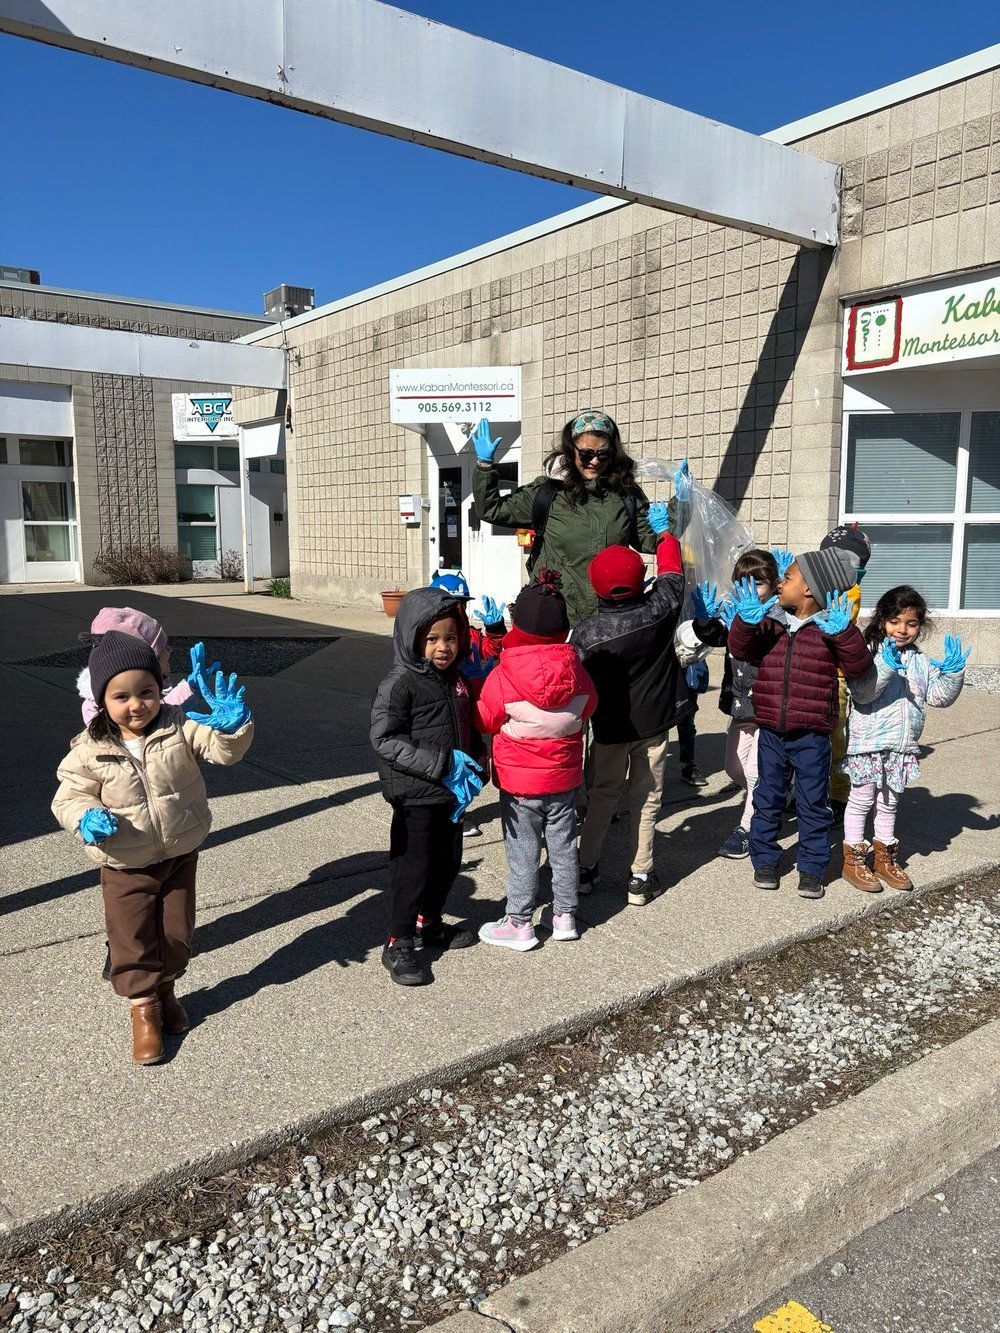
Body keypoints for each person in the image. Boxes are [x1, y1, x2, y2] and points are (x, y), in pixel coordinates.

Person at [51, 631, 254, 1065]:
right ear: (102, 700)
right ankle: (143, 1008)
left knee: (178, 933)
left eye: (146, 691)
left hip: (179, 852)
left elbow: (222, 751)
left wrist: (233, 727)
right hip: (126, 865)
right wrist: (84, 817)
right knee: (132, 940)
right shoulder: (90, 750)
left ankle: (167, 990)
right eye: (121, 696)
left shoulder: (179, 729)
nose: (136, 704)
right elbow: (68, 796)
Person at [76, 606, 221, 982]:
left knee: (172, 914)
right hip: (127, 834)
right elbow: (150, 713)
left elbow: (165, 706)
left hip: (169, 832)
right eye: (164, 647)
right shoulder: (103, 713)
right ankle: (123, 956)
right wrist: (84, 815)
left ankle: (165, 978)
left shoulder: (146, 694)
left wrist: (196, 690)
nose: (170, 652)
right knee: (130, 914)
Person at [727, 549, 876, 900]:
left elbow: (859, 668)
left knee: (813, 802)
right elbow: (742, 649)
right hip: (772, 731)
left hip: (812, 735)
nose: (780, 582)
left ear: (809, 589)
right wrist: (745, 622)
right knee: (767, 796)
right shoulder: (771, 620)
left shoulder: (832, 627)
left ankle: (811, 867)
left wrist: (845, 636)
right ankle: (764, 859)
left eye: (788, 577)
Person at [571, 502, 689, 906]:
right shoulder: (661, 608)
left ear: (595, 586)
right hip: (654, 726)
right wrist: (665, 535)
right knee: (647, 800)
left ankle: (585, 870)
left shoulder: (586, 634)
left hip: (609, 732)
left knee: (601, 798)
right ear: (641, 581)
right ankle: (641, 875)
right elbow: (673, 574)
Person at [475, 570, 597, 950]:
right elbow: (590, 706)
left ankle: (519, 922)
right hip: (563, 781)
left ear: (518, 625)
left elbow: (487, 718)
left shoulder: (503, 674)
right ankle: (564, 916)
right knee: (563, 850)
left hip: (519, 786)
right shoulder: (577, 671)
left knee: (523, 853)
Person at [370, 587, 484, 986]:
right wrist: (440, 763)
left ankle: (430, 922)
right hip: (416, 793)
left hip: (450, 795)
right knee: (412, 869)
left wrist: (478, 763)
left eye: (450, 638)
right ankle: (399, 940)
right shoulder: (401, 683)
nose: (443, 647)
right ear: (413, 638)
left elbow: (466, 726)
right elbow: (384, 738)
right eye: (432, 638)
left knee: (447, 862)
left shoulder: (455, 680)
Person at [471, 411, 668, 625]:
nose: (594, 461)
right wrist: (485, 466)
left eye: (603, 455)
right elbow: (491, 509)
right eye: (586, 454)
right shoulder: (548, 492)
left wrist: (678, 510)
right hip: (555, 618)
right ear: (570, 450)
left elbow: (649, 541)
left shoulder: (625, 494)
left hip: (608, 618)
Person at [840, 586, 969, 893]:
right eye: (896, 620)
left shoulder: (920, 661)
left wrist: (953, 674)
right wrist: (885, 665)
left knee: (889, 801)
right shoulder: (869, 653)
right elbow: (862, 693)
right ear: (882, 619)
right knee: (862, 799)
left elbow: (937, 696)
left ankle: (884, 859)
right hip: (868, 743)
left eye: (911, 623)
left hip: (902, 745)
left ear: (920, 627)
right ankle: (853, 860)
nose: (903, 629)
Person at [689, 549, 783, 859]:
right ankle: (771, 796)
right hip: (741, 706)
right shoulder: (738, 612)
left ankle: (747, 827)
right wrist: (704, 620)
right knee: (734, 768)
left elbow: (769, 643)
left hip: (767, 708)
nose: (751, 591)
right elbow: (718, 636)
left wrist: (754, 623)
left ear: (774, 584)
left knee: (756, 772)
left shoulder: (777, 615)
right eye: (743, 583)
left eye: (759, 583)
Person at [428, 570, 507, 837]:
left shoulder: (472, 635)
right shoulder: (430, 637)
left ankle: (458, 808)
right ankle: (452, 815)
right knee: (449, 764)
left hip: (474, 710)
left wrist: (496, 631)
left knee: (473, 763)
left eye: (461, 604)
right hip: (447, 711)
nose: (457, 610)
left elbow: (493, 649)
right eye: (451, 605)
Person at [76, 605, 217, 724]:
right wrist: (189, 690)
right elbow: (152, 720)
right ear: (143, 660)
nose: (169, 649)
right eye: (161, 648)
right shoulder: (99, 711)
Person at [817, 524, 873, 817]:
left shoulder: (850, 590)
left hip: (834, 676)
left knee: (835, 738)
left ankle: (839, 795)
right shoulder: (817, 583)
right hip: (811, 669)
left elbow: (830, 621)